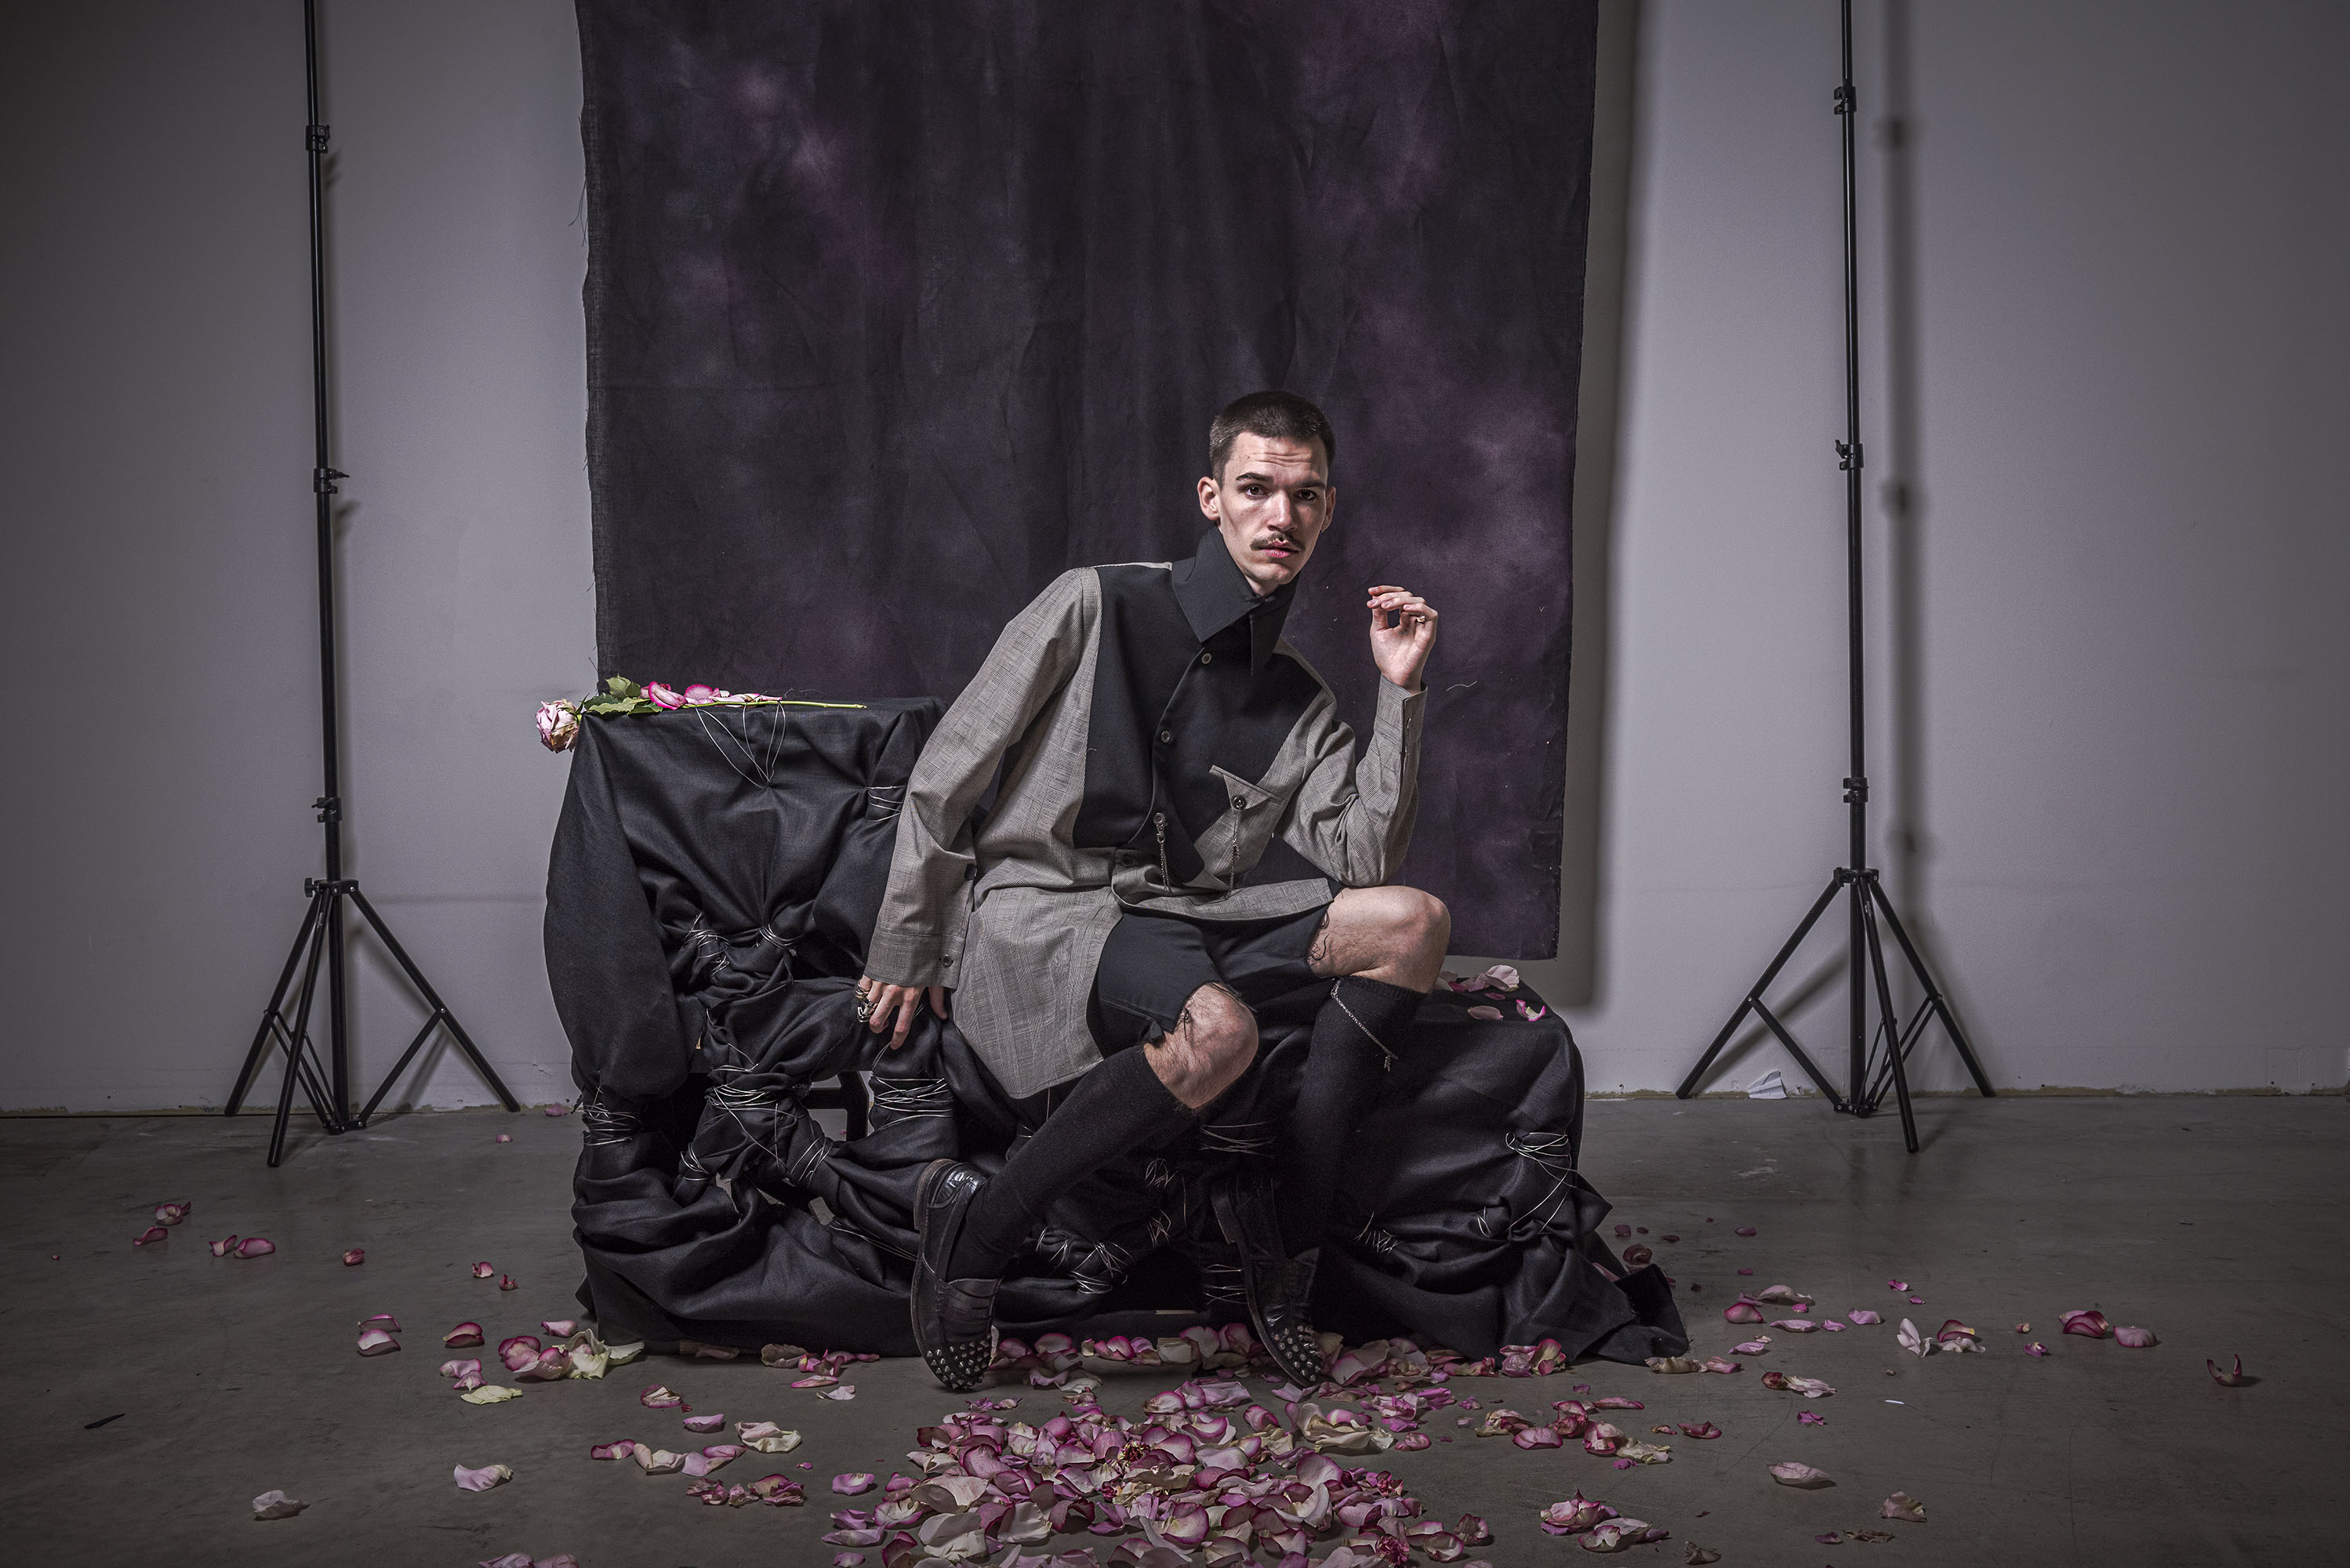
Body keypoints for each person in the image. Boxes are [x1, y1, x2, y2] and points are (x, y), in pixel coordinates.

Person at [856, 390, 1445, 1390]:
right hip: (1051, 907)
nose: (1281, 516)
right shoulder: (1091, 602)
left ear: (1328, 509)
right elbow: (947, 773)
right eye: (1256, 489)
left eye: (1305, 495)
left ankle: (1286, 1240)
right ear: (1212, 497)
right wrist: (911, 941)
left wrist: (1400, 689)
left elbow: (1362, 853)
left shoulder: (1300, 696)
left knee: (1413, 921)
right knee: (1221, 1032)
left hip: (1182, 917)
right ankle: (979, 1229)